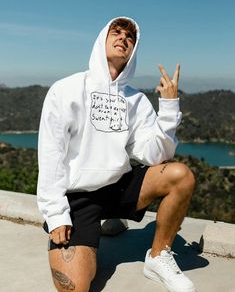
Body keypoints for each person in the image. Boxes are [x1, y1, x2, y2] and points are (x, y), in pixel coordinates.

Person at [37, 16, 196, 292]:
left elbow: (156, 155)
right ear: (103, 39)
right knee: (74, 286)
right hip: (78, 198)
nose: (123, 38)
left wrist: (169, 109)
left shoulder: (136, 100)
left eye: (130, 37)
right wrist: (56, 214)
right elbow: (51, 156)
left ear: (133, 50)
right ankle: (100, 225)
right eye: (117, 31)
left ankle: (158, 257)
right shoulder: (66, 90)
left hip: (118, 188)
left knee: (180, 175)